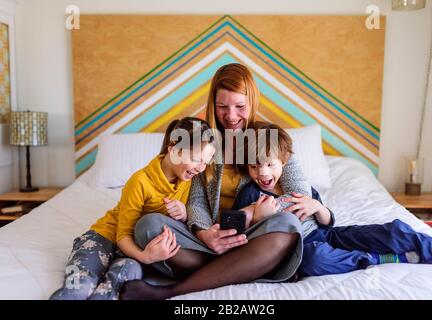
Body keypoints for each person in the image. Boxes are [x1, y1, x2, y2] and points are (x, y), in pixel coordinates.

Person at [120, 63, 312, 300]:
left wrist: (254, 212)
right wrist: (203, 234)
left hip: (252, 237)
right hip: (207, 242)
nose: (231, 116)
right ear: (213, 105)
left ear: (252, 102)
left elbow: (300, 196)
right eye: (222, 107)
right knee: (147, 226)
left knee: (287, 223)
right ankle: (247, 267)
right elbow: (196, 200)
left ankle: (172, 291)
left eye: (240, 106)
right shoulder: (204, 142)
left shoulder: (269, 138)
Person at [234, 121, 432, 276]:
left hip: (328, 234)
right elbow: (243, 241)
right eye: (254, 166)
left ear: (284, 161)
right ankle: (372, 258)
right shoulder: (251, 194)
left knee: (394, 231)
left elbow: (328, 221)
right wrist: (257, 219)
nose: (262, 173)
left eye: (270, 164)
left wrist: (317, 207)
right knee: (316, 259)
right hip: (300, 248)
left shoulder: (299, 187)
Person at [50, 117, 215, 300]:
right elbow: (122, 234)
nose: (201, 168)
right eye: (196, 159)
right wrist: (146, 257)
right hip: (106, 238)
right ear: (173, 149)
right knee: (80, 287)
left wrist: (184, 214)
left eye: (205, 162)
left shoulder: (189, 180)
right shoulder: (139, 181)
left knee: (112, 290)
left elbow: (178, 225)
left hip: (134, 254)